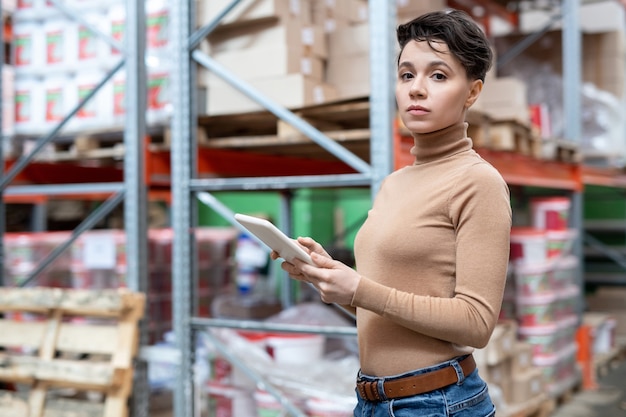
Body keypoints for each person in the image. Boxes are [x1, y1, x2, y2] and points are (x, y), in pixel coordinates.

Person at [272, 9, 512, 417]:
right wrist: (328, 278)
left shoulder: (478, 183)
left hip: (438, 403)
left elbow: (476, 322)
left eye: (438, 76)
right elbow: (385, 306)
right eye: (406, 75)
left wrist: (360, 290)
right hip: (373, 402)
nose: (416, 89)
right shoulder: (394, 183)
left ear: (472, 92)